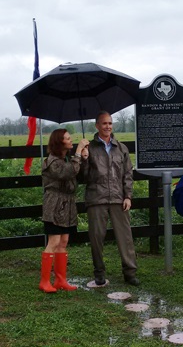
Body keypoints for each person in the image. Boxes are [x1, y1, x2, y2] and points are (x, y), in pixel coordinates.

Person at [81, 111, 139, 286]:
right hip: (96, 199)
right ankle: (99, 272)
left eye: (110, 123)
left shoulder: (121, 148)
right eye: (104, 123)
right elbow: (82, 178)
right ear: (97, 125)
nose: (108, 126)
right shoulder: (89, 148)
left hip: (118, 199)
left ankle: (130, 273)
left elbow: (128, 174)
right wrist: (83, 159)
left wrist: (128, 196)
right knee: (96, 237)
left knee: (125, 237)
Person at [38, 129, 90, 293]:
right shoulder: (53, 162)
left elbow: (80, 175)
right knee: (53, 241)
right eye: (68, 138)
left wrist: (84, 158)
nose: (71, 140)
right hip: (54, 205)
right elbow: (68, 172)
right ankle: (44, 281)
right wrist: (77, 152)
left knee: (64, 241)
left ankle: (60, 280)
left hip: (67, 205)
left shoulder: (66, 159)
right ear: (60, 142)